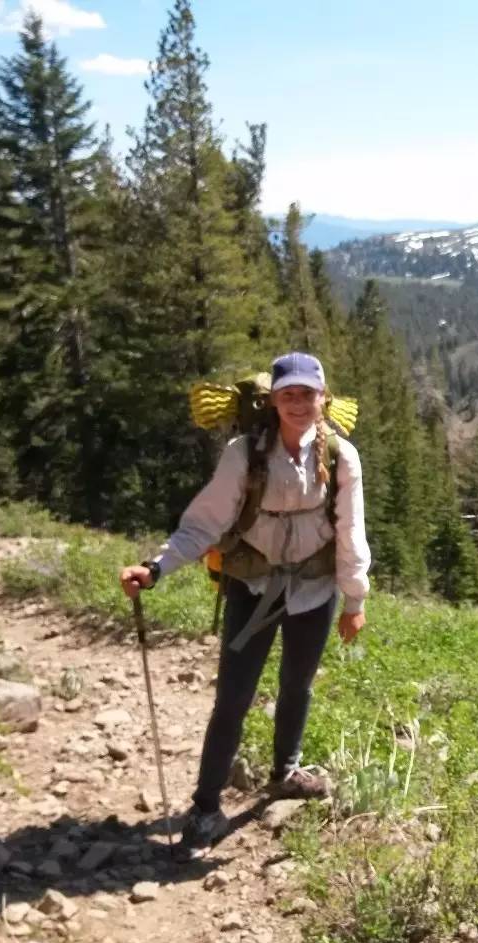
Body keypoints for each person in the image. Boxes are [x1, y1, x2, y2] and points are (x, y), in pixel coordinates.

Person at [118, 352, 370, 858]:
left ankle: (286, 772)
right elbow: (204, 523)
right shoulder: (244, 454)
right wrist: (157, 566)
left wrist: (354, 598)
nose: (298, 404)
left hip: (314, 592)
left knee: (297, 685)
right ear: (274, 400)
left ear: (324, 398)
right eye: (288, 395)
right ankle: (206, 807)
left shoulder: (341, 456)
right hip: (252, 589)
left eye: (307, 394)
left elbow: (350, 530)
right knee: (233, 697)